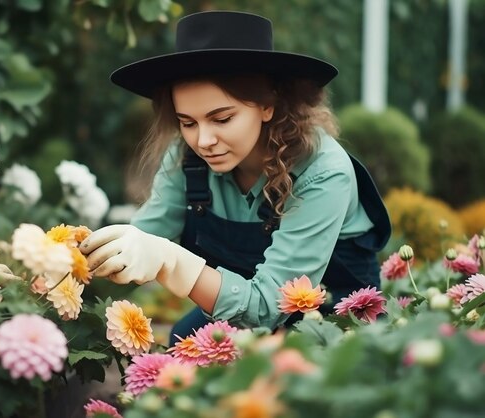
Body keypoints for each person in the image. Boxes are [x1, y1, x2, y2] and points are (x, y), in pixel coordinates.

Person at [80, 10, 391, 343]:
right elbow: (140, 237)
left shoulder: (323, 171)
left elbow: (268, 307)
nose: (203, 141)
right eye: (188, 123)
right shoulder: (187, 158)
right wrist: (63, 260)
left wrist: (170, 260)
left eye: (222, 118)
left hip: (331, 322)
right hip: (238, 313)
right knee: (182, 344)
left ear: (268, 105)